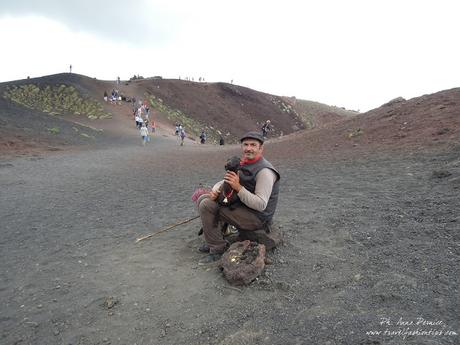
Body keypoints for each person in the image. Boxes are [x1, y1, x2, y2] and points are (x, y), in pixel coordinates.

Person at [196, 131, 280, 264]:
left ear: (261, 148)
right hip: (243, 207)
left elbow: (261, 204)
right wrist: (215, 190)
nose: (248, 148)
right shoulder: (244, 163)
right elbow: (227, 181)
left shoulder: (265, 171)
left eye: (253, 145)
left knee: (208, 206)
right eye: (245, 144)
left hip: (258, 217)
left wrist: (239, 188)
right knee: (204, 198)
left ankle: (217, 248)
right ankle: (214, 238)